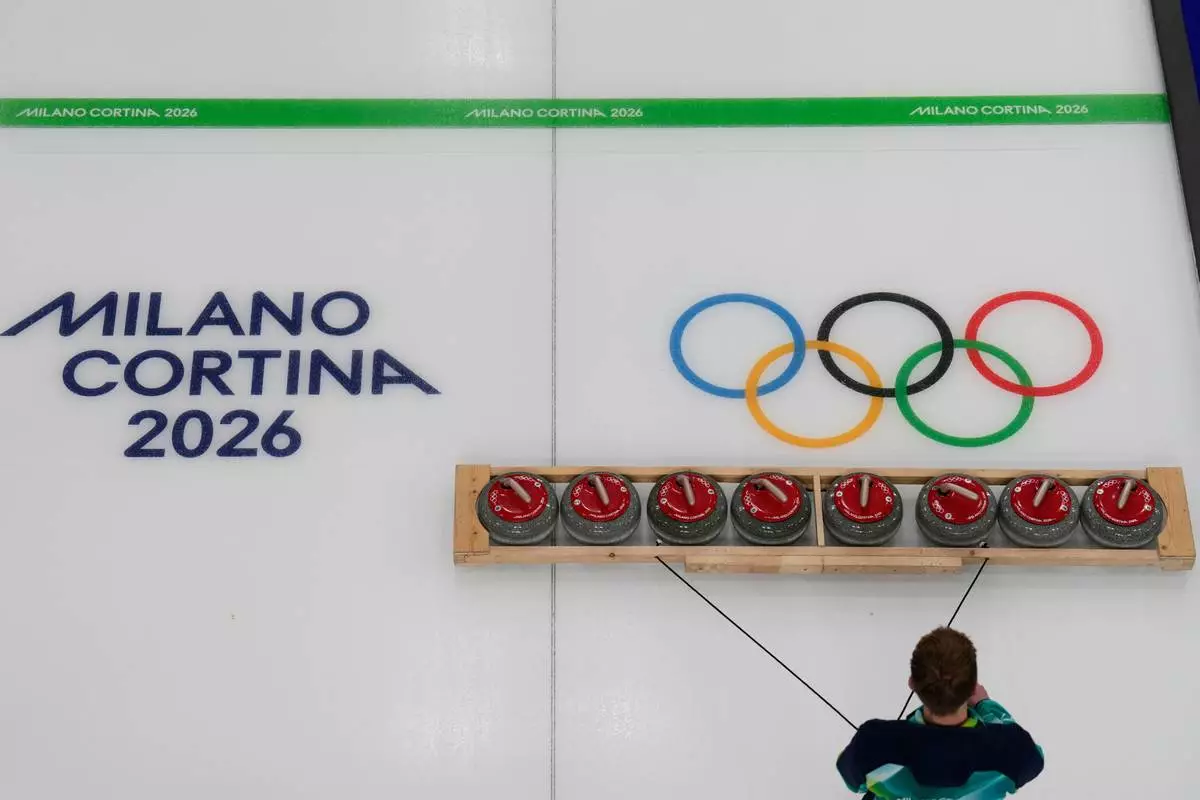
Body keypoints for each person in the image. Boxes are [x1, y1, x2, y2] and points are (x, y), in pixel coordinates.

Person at [836, 627, 1043, 799]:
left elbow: (854, 783)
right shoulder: (1012, 749)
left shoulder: (872, 743)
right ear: (973, 687)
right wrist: (986, 705)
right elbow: (1035, 762)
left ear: (912, 683)